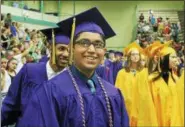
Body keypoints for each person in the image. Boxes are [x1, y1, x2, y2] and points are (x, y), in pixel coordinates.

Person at [17, 7, 129, 127]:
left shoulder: (114, 94)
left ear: (104, 51)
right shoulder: (50, 92)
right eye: (84, 43)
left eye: (98, 44)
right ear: (71, 48)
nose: (91, 50)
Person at [1, 26, 70, 126]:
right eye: (61, 48)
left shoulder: (70, 80)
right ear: (50, 47)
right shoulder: (30, 71)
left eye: (69, 50)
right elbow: (11, 104)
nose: (66, 54)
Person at [115, 42, 158, 126]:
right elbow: (117, 90)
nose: (135, 56)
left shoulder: (144, 72)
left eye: (137, 54)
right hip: (127, 106)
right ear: (129, 57)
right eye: (133, 54)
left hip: (141, 106)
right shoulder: (122, 73)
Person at [148, 45, 182, 126]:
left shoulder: (176, 80)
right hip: (157, 122)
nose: (176, 59)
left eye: (176, 57)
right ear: (164, 58)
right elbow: (148, 107)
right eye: (173, 57)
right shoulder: (151, 80)